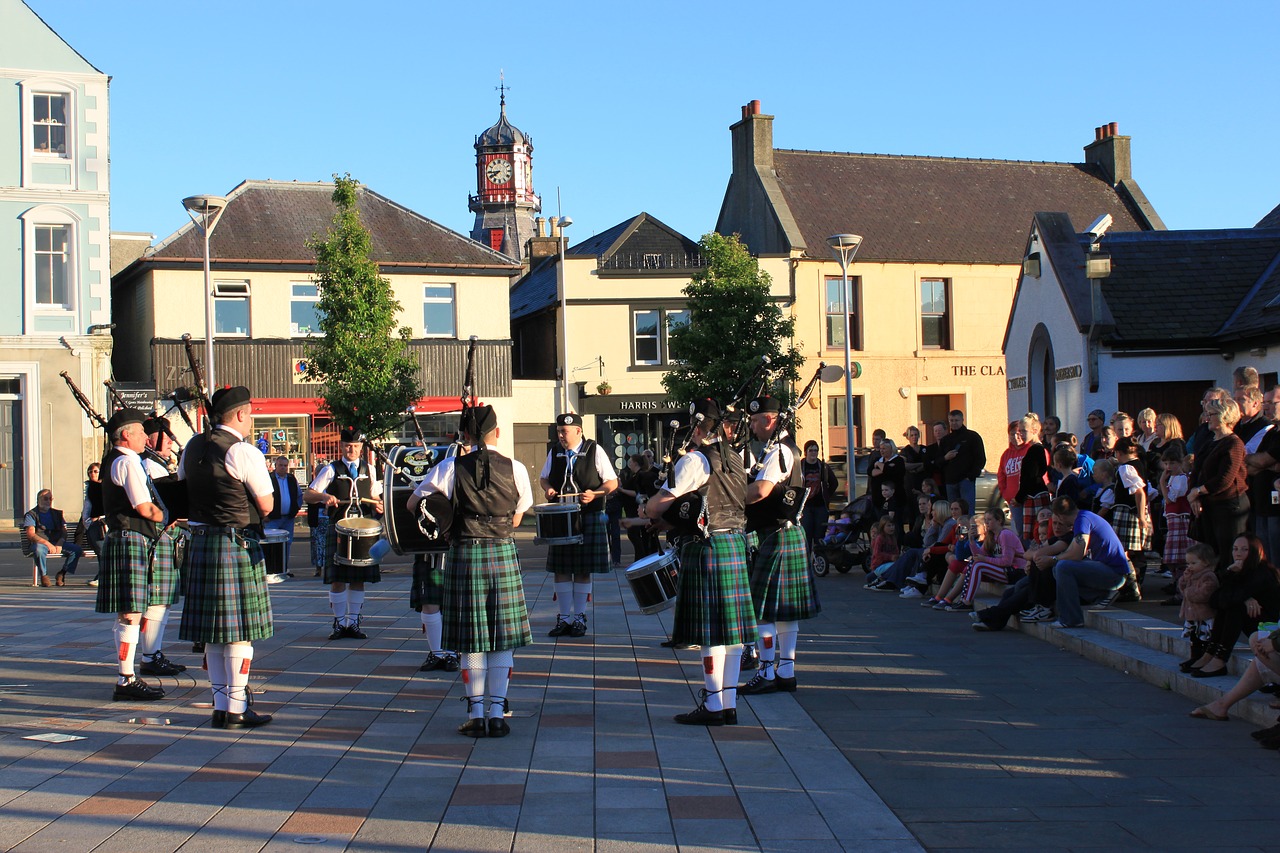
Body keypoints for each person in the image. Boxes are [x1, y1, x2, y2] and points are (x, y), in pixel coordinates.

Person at [409, 405, 533, 737]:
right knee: (502, 638)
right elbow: (519, 516)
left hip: (465, 553)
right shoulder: (516, 468)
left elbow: (414, 504)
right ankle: (497, 712)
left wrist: (446, 522)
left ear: (464, 436)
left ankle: (475, 712)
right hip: (502, 552)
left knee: (471, 639)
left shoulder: (450, 466)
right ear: (497, 433)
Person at [643, 397, 756, 726]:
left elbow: (656, 506)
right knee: (733, 635)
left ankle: (712, 704)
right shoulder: (735, 457)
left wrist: (651, 509)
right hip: (734, 542)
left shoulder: (694, 460)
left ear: (696, 428)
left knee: (710, 633)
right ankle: (729, 703)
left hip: (707, 549)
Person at [178, 386, 275, 729]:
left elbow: (181, 487)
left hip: (201, 541)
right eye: (250, 414)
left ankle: (221, 707)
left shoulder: (191, 447)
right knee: (238, 634)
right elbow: (266, 504)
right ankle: (237, 707)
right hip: (234, 543)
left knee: (215, 635)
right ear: (239, 415)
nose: (251, 420)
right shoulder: (243, 451)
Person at [738, 396, 821, 696]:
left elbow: (761, 490)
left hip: (776, 534)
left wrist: (731, 496)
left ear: (770, 421)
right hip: (786, 533)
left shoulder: (779, 452)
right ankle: (786, 672)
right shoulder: (787, 449)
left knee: (763, 611)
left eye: (754, 420)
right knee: (785, 612)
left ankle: (767, 670)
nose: (750, 424)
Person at [94, 409, 167, 702]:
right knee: (131, 612)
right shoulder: (127, 460)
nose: (146, 437)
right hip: (130, 537)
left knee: (129, 611)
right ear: (126, 434)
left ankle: (128, 676)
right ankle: (126, 679)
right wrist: (166, 515)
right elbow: (144, 507)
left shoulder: (117, 459)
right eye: (140, 431)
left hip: (123, 538)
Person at [539, 413, 618, 638]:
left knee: (582, 570)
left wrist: (596, 494)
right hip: (560, 515)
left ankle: (579, 618)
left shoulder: (595, 450)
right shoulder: (555, 451)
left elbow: (612, 482)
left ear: (578, 431)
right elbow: (544, 478)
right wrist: (548, 489)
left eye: (565, 431)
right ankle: (564, 618)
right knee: (561, 569)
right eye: (559, 432)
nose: (561, 436)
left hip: (588, 515)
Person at [305, 428, 385, 640]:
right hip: (339, 529)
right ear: (341, 446)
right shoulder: (331, 469)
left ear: (361, 448)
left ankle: (353, 623)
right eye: (348, 446)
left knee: (358, 579)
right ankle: (339, 624)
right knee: (338, 579)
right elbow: (308, 494)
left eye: (356, 446)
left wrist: (380, 505)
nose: (352, 449)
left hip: (364, 530)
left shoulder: (370, 469)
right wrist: (323, 497)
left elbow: (375, 496)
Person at [134, 416, 188, 677]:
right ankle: (149, 655)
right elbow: (161, 504)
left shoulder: (155, 464)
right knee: (157, 600)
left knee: (161, 601)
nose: (169, 442)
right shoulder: (149, 466)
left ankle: (152, 652)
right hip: (158, 537)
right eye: (164, 437)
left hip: (163, 536)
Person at [1188, 534, 1280, 678]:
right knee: (1232, 604)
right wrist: (1231, 576)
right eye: (1235, 549)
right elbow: (1215, 600)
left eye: (1244, 550)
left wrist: (1241, 596)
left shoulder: (1262, 572)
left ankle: (1220, 658)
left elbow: (1230, 599)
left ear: (1255, 552)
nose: (1238, 553)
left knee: (1235, 607)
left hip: (1269, 627)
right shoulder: (1238, 570)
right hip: (1252, 620)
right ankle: (1210, 653)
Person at [1049, 495, 1132, 628]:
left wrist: (1052, 559)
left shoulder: (1082, 520)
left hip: (1114, 574)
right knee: (1058, 568)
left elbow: (1077, 554)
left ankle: (1071, 619)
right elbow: (1071, 551)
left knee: (1063, 567)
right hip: (1109, 571)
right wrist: (1054, 560)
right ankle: (1102, 595)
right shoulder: (1083, 517)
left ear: (1061, 516)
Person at [1187, 394, 1249, 570]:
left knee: (1228, 555)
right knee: (1209, 555)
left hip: (1228, 508)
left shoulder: (1233, 444)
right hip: (1209, 507)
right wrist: (1194, 495)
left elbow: (1225, 479)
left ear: (1225, 416)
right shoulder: (1210, 442)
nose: (1207, 417)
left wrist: (1199, 491)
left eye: (1212, 414)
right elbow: (1197, 471)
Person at [24, 489, 82, 587]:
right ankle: (44, 576)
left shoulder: (57, 514)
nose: (48, 501)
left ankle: (62, 573)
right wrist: (47, 544)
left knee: (76, 550)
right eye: (45, 499)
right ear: (39, 500)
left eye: (50, 499)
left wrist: (60, 542)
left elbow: (64, 531)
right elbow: (31, 534)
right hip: (41, 544)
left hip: (57, 542)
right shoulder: (31, 514)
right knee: (39, 550)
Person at [1177, 543, 1219, 672]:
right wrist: (1184, 579)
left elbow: (1203, 594)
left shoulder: (1208, 577)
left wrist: (1188, 592)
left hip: (1204, 616)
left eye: (1193, 563)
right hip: (1192, 616)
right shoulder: (1192, 576)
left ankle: (1204, 658)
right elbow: (1182, 588)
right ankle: (1194, 657)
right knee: (1194, 638)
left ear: (1206, 562)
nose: (1189, 567)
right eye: (1188, 564)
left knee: (1205, 638)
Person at [263, 456, 302, 583]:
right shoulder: (269, 478)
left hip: (288, 518)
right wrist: (264, 515)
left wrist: (295, 509)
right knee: (269, 544)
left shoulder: (291, 479)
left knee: (287, 543)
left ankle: (284, 569)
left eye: (285, 465)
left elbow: (299, 495)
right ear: (275, 466)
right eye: (281, 465)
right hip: (272, 518)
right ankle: (269, 569)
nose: (283, 468)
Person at [938, 409, 986, 512]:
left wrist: (971, 475)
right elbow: (938, 461)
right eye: (951, 420)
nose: (954, 423)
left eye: (956, 420)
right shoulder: (945, 440)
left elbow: (980, 458)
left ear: (962, 420)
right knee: (953, 513)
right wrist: (945, 458)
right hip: (950, 481)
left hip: (966, 480)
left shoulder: (972, 437)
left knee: (967, 512)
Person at [1014, 414, 1052, 542]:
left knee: (1036, 534)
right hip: (1033, 494)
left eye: (1024, 431)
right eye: (1019, 431)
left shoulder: (1036, 449)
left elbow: (1030, 476)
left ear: (1034, 431)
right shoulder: (1033, 449)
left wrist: (1019, 497)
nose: (1021, 434)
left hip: (1035, 494)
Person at [799, 440, 839, 546]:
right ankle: (807, 561)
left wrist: (826, 496)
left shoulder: (823, 467)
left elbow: (834, 483)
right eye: (811, 450)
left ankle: (818, 560)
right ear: (806, 452)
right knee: (806, 536)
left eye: (816, 450)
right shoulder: (799, 466)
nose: (813, 453)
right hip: (805, 506)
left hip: (820, 506)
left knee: (819, 536)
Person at [82, 463, 106, 587]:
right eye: (90, 471)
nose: (92, 474)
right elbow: (87, 508)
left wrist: (100, 517)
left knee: (102, 551)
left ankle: (101, 577)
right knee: (100, 551)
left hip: (103, 525)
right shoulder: (89, 488)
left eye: (96, 471)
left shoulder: (106, 487)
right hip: (92, 525)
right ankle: (100, 576)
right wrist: (87, 522)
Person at [306, 459, 329, 578]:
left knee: (326, 545)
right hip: (316, 518)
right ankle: (318, 568)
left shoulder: (330, 487)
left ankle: (327, 567)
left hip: (327, 519)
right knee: (316, 545)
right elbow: (309, 500)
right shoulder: (312, 485)